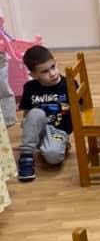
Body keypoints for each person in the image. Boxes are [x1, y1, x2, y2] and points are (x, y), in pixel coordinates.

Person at [17, 45, 72, 182]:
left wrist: (98, 137)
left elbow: (83, 111)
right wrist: (30, 129)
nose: (52, 73)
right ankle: (26, 156)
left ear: (55, 61)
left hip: (59, 130)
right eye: (44, 71)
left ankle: (58, 145)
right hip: (38, 128)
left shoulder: (69, 85)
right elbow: (27, 114)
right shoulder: (29, 87)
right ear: (33, 75)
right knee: (36, 113)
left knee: (53, 158)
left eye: (53, 67)